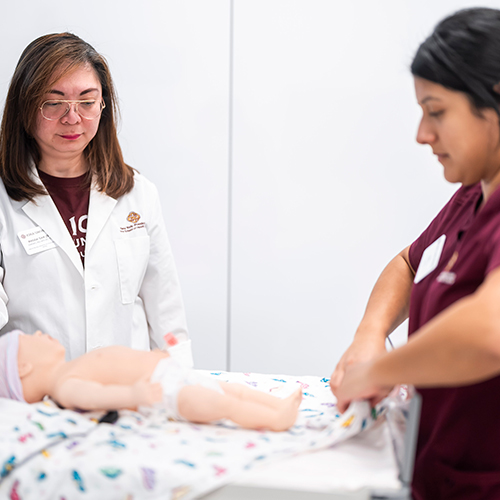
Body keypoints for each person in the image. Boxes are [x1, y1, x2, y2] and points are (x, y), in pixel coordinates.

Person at [330, 7, 500, 500]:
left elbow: (489, 332)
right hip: (439, 474)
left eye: (437, 111)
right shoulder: (472, 195)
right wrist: (369, 336)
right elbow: (409, 264)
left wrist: (378, 373)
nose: (423, 134)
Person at [0, 33, 189, 360]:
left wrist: (178, 382)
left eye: (87, 102)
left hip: (127, 386)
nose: (72, 118)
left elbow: (166, 315)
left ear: (103, 105)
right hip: (39, 388)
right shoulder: (5, 198)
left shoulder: (137, 193)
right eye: (54, 102)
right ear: (25, 107)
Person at [0, 330, 301, 432]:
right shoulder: (65, 386)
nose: (38, 333)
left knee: (231, 390)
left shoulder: (71, 367)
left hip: (166, 374)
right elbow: (95, 397)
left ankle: (278, 405)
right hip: (163, 394)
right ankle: (274, 420)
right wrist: (134, 394)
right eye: (28, 338)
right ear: (23, 367)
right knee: (220, 403)